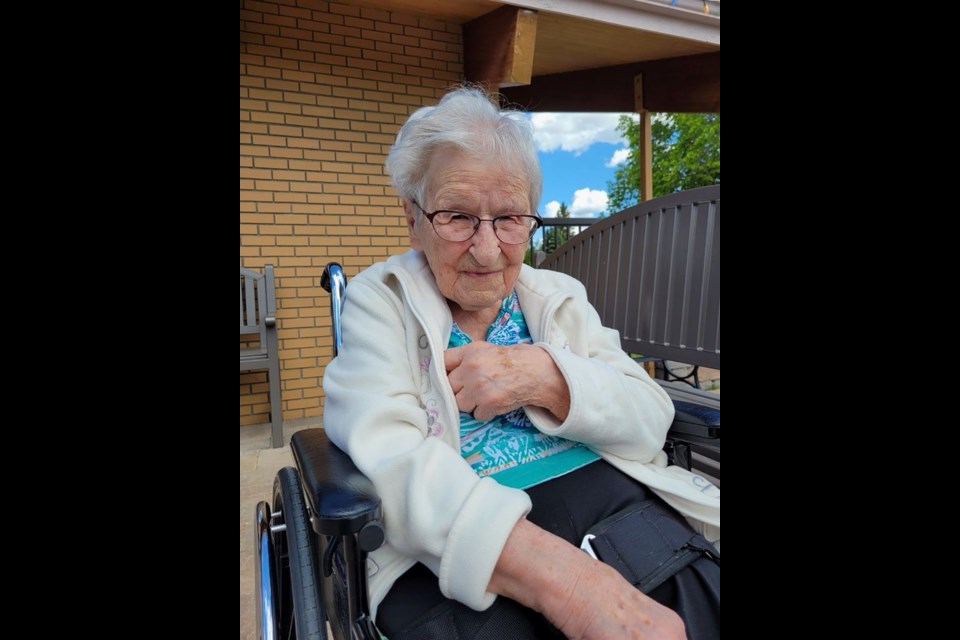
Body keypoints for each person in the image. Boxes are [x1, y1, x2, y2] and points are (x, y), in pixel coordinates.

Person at [322, 86, 720, 640]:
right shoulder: (378, 300)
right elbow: (390, 461)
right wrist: (579, 588)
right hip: (459, 542)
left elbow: (649, 416)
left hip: (611, 499)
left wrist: (547, 378)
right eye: (457, 216)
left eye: (509, 218)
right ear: (413, 219)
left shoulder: (558, 294)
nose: (488, 250)